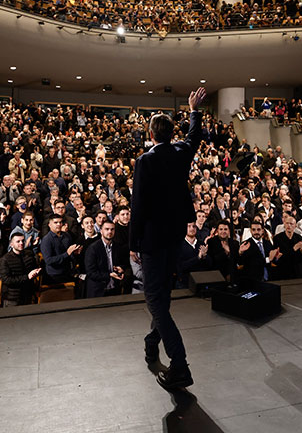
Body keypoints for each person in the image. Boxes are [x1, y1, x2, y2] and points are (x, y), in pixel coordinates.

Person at [130, 86, 205, 390]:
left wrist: (133, 243)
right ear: (172, 133)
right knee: (163, 296)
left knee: (156, 301)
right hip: (174, 236)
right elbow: (194, 137)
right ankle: (152, 343)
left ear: (150, 134)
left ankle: (180, 364)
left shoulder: (145, 161)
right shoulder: (181, 152)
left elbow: (138, 205)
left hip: (151, 239)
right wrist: (194, 111)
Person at [0, 230, 41, 306]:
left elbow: (35, 268)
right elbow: (6, 280)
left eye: (23, 241)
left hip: (28, 294)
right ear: (11, 244)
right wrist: (27, 277)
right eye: (18, 241)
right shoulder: (5, 259)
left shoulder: (29, 254)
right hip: (12, 297)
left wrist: (37, 272)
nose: (21, 243)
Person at [84, 220, 125, 298]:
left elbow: (123, 264)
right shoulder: (93, 248)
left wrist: (121, 269)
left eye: (112, 229)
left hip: (114, 290)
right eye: (107, 229)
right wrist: (109, 275)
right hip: (98, 291)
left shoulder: (118, 247)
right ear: (101, 231)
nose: (110, 231)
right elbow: (91, 273)